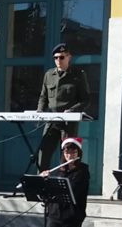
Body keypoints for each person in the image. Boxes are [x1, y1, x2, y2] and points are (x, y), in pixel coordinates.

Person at [36, 43, 90, 171]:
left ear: (69, 57)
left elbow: (86, 100)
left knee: (69, 154)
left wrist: (72, 110)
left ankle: (69, 182)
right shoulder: (49, 75)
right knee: (43, 152)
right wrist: (39, 111)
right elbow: (43, 96)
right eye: (55, 58)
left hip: (68, 122)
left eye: (61, 57)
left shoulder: (78, 75)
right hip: (52, 121)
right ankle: (41, 181)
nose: (58, 61)